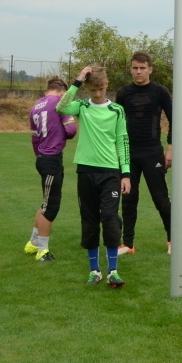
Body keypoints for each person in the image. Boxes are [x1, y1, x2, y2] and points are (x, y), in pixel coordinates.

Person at [58, 65, 131, 288]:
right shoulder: (81, 106)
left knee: (110, 219)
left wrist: (125, 173)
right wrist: (78, 79)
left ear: (106, 85)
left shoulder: (117, 110)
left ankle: (113, 271)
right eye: (93, 90)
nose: (97, 94)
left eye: (100, 89)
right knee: (89, 221)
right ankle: (94, 271)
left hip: (110, 172)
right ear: (88, 89)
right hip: (86, 171)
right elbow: (61, 107)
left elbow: (122, 141)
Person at [115, 52, 174, 255]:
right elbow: (117, 124)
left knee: (161, 198)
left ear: (150, 69)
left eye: (142, 68)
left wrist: (170, 148)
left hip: (153, 152)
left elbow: (174, 119)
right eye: (135, 68)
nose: (138, 72)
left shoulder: (160, 92)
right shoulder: (123, 93)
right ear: (131, 69)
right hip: (129, 153)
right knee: (129, 198)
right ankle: (128, 243)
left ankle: (172, 239)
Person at [25, 77, 78, 261]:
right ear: (63, 92)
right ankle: (42, 251)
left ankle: (33, 243)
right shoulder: (59, 102)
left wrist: (40, 155)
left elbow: (34, 138)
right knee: (51, 206)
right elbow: (71, 130)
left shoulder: (35, 107)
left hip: (42, 158)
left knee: (46, 201)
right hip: (52, 157)